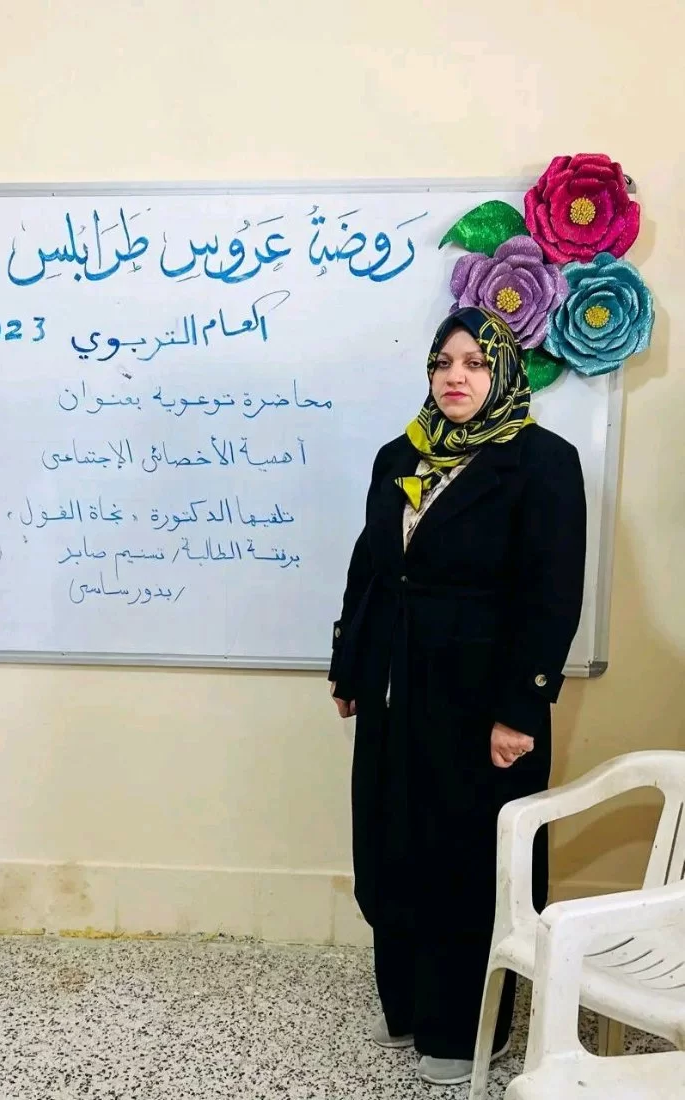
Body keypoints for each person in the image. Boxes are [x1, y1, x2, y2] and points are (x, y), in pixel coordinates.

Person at [328, 307, 587, 1087]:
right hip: (395, 690)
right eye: (444, 362)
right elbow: (372, 567)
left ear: (503, 372)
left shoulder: (542, 462)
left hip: (481, 707)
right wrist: (348, 667)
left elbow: (552, 595)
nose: (456, 376)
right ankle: (407, 1008)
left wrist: (520, 710)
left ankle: (465, 1029)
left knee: (466, 864)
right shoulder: (400, 454)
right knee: (392, 847)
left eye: (475, 362)